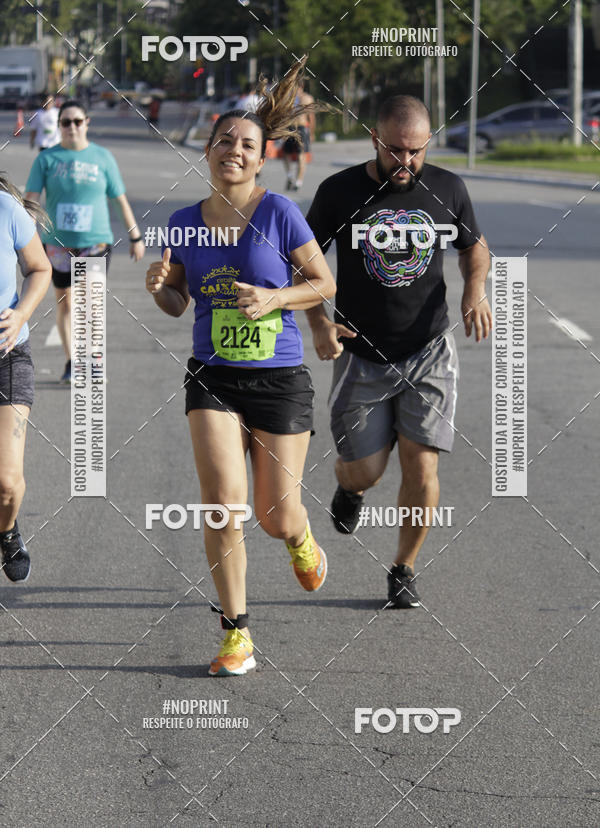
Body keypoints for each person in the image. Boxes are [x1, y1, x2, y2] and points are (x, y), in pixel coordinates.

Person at [146, 60, 336, 677]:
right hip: (213, 376)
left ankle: (300, 536)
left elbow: (322, 282)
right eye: (225, 140)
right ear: (207, 150)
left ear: (260, 161)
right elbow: (178, 305)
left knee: (275, 514)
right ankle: (237, 633)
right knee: (222, 506)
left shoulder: (279, 212)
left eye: (247, 145)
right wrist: (158, 288)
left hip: (279, 377)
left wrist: (275, 298)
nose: (234, 149)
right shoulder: (183, 225)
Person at [306, 95, 492, 608]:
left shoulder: (449, 188)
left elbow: (475, 248)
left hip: (428, 350)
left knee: (422, 465)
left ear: (428, 143)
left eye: (416, 150)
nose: (406, 162)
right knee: (366, 469)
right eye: (395, 151)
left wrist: (473, 292)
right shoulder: (339, 191)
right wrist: (319, 321)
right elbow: (302, 263)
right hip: (360, 355)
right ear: (375, 139)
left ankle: (404, 567)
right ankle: (351, 489)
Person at [24, 99, 145, 383]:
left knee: (87, 302)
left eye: (78, 121)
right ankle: (71, 361)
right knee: (65, 304)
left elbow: (119, 199)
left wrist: (135, 235)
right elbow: (31, 202)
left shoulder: (102, 158)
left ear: (87, 123)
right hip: (57, 244)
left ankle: (91, 361)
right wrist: (22, 240)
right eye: (66, 122)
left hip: (96, 242)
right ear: (59, 126)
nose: (72, 127)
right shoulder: (46, 159)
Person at [0, 176, 52, 582]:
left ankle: (7, 530)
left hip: (7, 356)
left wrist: (20, 315)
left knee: (6, 480)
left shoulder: (6, 208)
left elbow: (39, 267)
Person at [282, 78, 315, 191]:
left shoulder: (306, 98)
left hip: (301, 128)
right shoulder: (288, 98)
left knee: (301, 155)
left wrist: (311, 132)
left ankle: (298, 181)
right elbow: (284, 115)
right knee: (286, 154)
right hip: (290, 127)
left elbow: (311, 117)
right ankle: (291, 176)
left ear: (300, 86)